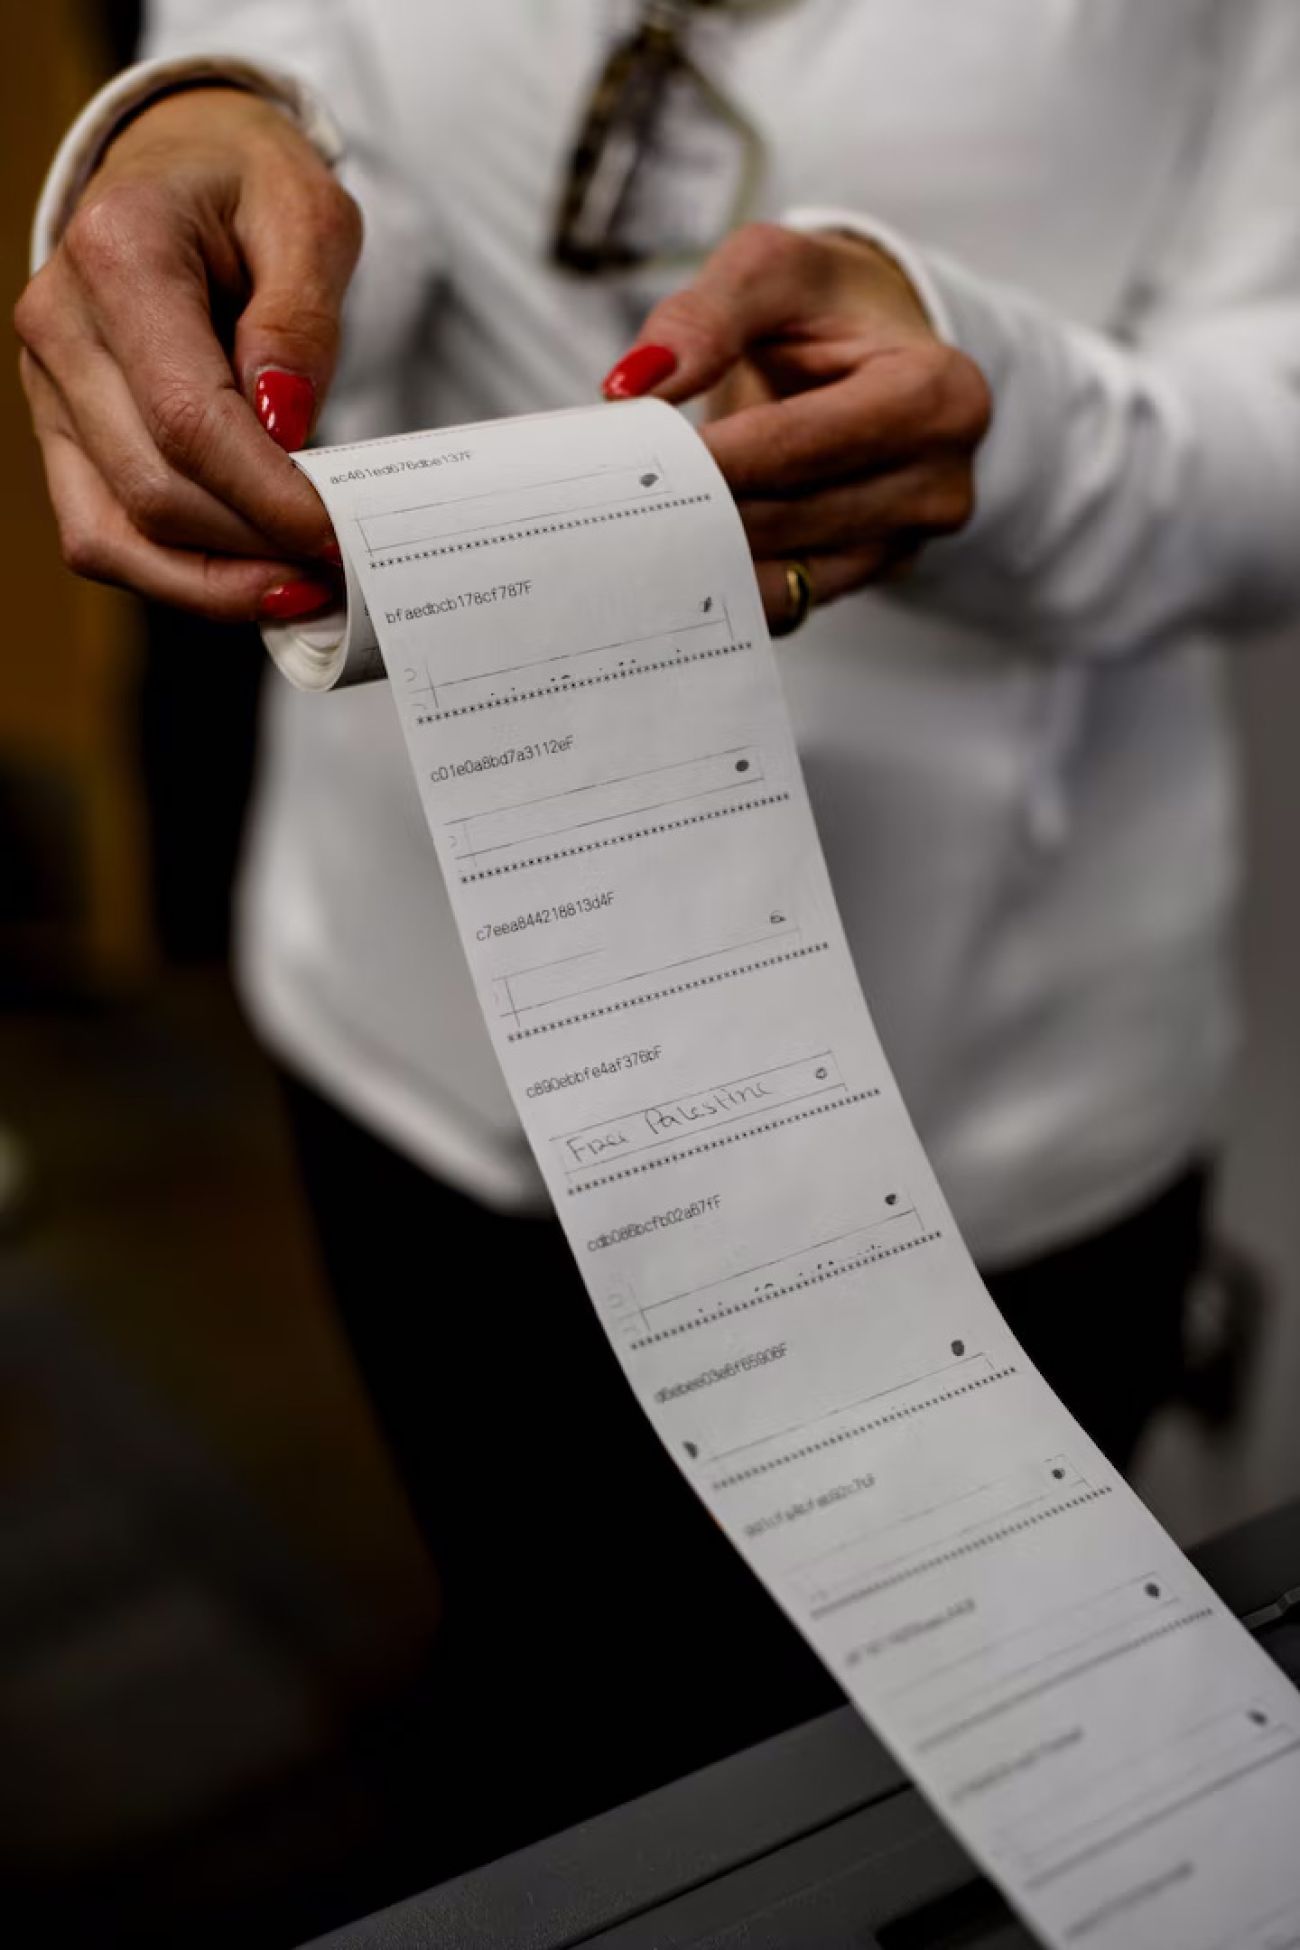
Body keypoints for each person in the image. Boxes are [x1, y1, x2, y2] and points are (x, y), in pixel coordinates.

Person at [17, 0, 1300, 1869]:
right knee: (547, 1703)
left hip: (968, 1128)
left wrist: (1003, 422)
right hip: (421, 1015)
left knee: (907, 1809)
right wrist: (208, 119)